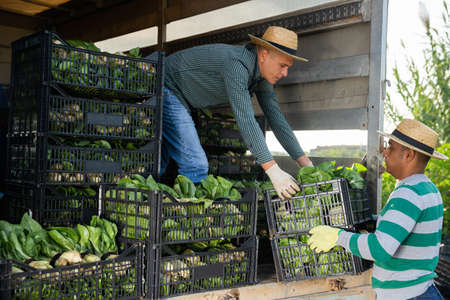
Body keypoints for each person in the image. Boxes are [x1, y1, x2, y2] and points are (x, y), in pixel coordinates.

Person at [161, 26, 313, 199]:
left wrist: (305, 163)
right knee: (196, 165)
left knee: (161, 162)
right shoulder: (237, 66)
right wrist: (273, 170)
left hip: (182, 100)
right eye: (282, 65)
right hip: (166, 87)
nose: (285, 73)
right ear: (264, 54)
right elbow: (246, 120)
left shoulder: (260, 77)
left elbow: (276, 119)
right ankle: (189, 221)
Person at [308, 119, 447, 299]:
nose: (384, 152)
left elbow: (380, 249)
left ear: (409, 155)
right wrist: (373, 219)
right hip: (420, 291)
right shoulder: (427, 188)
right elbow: (405, 228)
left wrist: (338, 237)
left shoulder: (408, 194)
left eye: (391, 147)